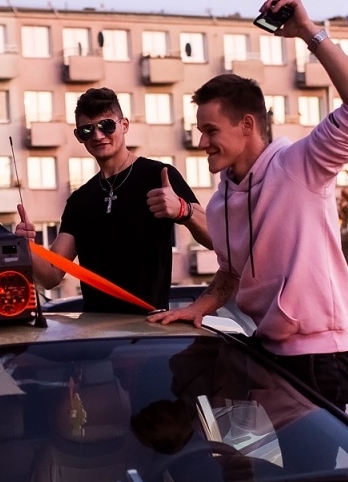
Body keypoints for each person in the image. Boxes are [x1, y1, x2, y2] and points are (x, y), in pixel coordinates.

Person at [153, 0, 348, 411]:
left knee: (307, 474)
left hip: (321, 356)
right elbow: (230, 274)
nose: (201, 142)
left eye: (210, 130)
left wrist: (309, 33)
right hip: (270, 352)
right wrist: (199, 307)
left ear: (247, 125)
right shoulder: (220, 202)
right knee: (189, 389)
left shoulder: (301, 165)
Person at [15, 87, 211, 313]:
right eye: (87, 130)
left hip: (149, 329)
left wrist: (182, 210)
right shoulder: (80, 200)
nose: (98, 136)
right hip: (98, 335)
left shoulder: (159, 175)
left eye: (106, 125)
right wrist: (27, 247)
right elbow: (51, 275)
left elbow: (215, 240)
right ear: (79, 137)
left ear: (124, 125)